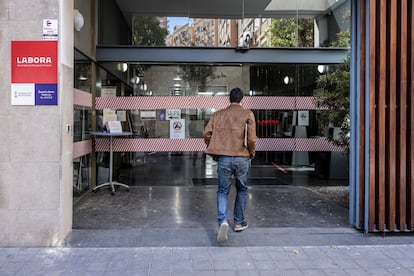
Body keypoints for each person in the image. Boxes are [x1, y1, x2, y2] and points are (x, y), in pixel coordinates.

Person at [203, 87, 257, 242]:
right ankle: (239, 223)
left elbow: (206, 133)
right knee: (242, 189)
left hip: (224, 159)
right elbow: (252, 139)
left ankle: (223, 221)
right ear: (242, 99)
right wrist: (251, 153)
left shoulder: (218, 115)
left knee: (222, 191)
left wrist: (215, 147)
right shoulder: (248, 114)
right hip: (242, 157)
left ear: (229, 99)